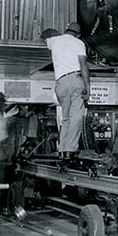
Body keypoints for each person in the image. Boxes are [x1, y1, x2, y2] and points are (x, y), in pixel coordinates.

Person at [40, 22, 90, 159]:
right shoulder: (79, 43)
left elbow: (44, 38)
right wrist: (88, 87)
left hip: (60, 83)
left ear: (66, 30)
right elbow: (83, 65)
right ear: (78, 34)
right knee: (76, 117)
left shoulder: (54, 41)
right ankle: (70, 150)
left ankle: (63, 149)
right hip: (75, 79)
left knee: (66, 118)